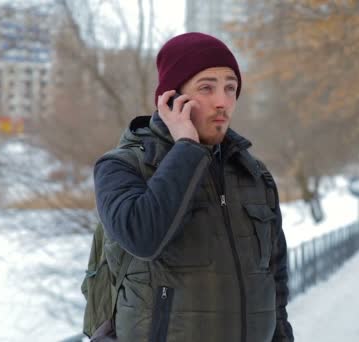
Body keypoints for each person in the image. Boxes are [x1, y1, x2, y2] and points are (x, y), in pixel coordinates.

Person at [93, 32, 294, 342]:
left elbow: (275, 282)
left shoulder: (254, 174)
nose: (222, 101)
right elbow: (143, 237)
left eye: (230, 88)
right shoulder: (121, 166)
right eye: (206, 87)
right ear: (171, 98)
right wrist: (186, 146)